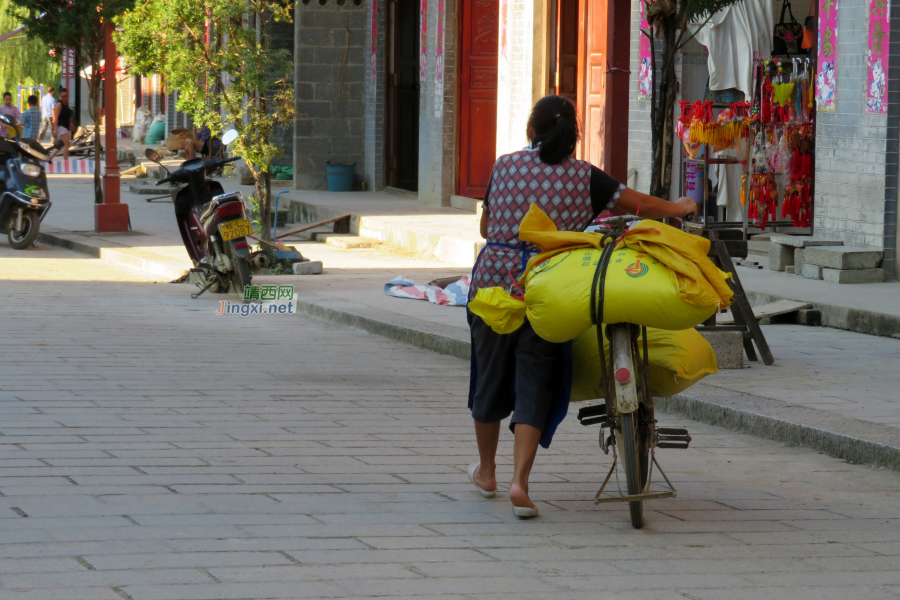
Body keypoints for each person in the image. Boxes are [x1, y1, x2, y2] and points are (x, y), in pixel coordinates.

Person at [467, 95, 697, 518]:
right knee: (534, 383)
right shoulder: (585, 177)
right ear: (574, 136)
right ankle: (521, 481)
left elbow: (485, 224)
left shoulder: (503, 165)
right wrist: (680, 208)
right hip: (549, 289)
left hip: (492, 286)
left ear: (530, 131)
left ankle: (486, 472)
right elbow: (640, 205)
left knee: (489, 378)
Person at [48, 88, 74, 161]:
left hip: (65, 125)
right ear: (59, 95)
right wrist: (55, 129)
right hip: (61, 126)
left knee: (61, 144)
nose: (65, 98)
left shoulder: (65, 103)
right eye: (63, 96)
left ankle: (49, 158)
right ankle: (66, 161)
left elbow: (69, 115)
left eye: (66, 96)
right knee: (67, 145)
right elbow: (56, 117)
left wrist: (71, 124)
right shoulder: (59, 104)